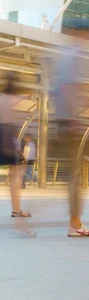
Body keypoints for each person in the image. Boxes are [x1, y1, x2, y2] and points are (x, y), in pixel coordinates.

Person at [50, 20, 89, 237]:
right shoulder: (77, 55)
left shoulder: (62, 54)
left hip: (60, 120)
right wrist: (75, 120)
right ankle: (75, 224)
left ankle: (75, 222)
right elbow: (73, 87)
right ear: (81, 33)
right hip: (69, 121)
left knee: (72, 174)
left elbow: (58, 88)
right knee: (75, 177)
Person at [0, 73, 35, 237]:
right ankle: (16, 210)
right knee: (15, 175)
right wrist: (18, 149)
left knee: (14, 174)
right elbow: (16, 125)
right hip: (6, 137)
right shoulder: (16, 101)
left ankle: (16, 210)